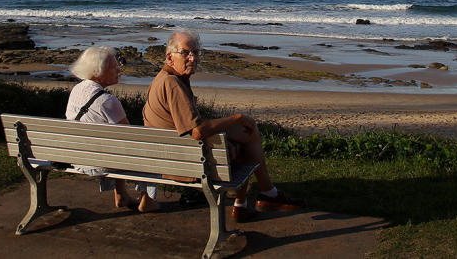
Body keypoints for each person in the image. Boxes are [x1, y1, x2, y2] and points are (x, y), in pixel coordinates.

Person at [143, 30, 303, 222]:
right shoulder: (172, 84)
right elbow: (197, 131)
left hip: (169, 157)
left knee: (245, 134)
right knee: (247, 134)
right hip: (186, 165)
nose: (193, 58)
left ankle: (258, 198)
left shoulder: (161, 79)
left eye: (195, 52)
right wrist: (237, 118)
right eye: (185, 53)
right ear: (170, 57)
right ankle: (264, 196)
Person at [66, 46, 159, 212]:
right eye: (114, 67)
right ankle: (147, 200)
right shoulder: (107, 101)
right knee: (148, 148)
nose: (119, 69)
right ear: (98, 71)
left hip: (77, 156)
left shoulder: (76, 90)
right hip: (100, 162)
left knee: (114, 146)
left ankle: (121, 194)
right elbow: (131, 137)